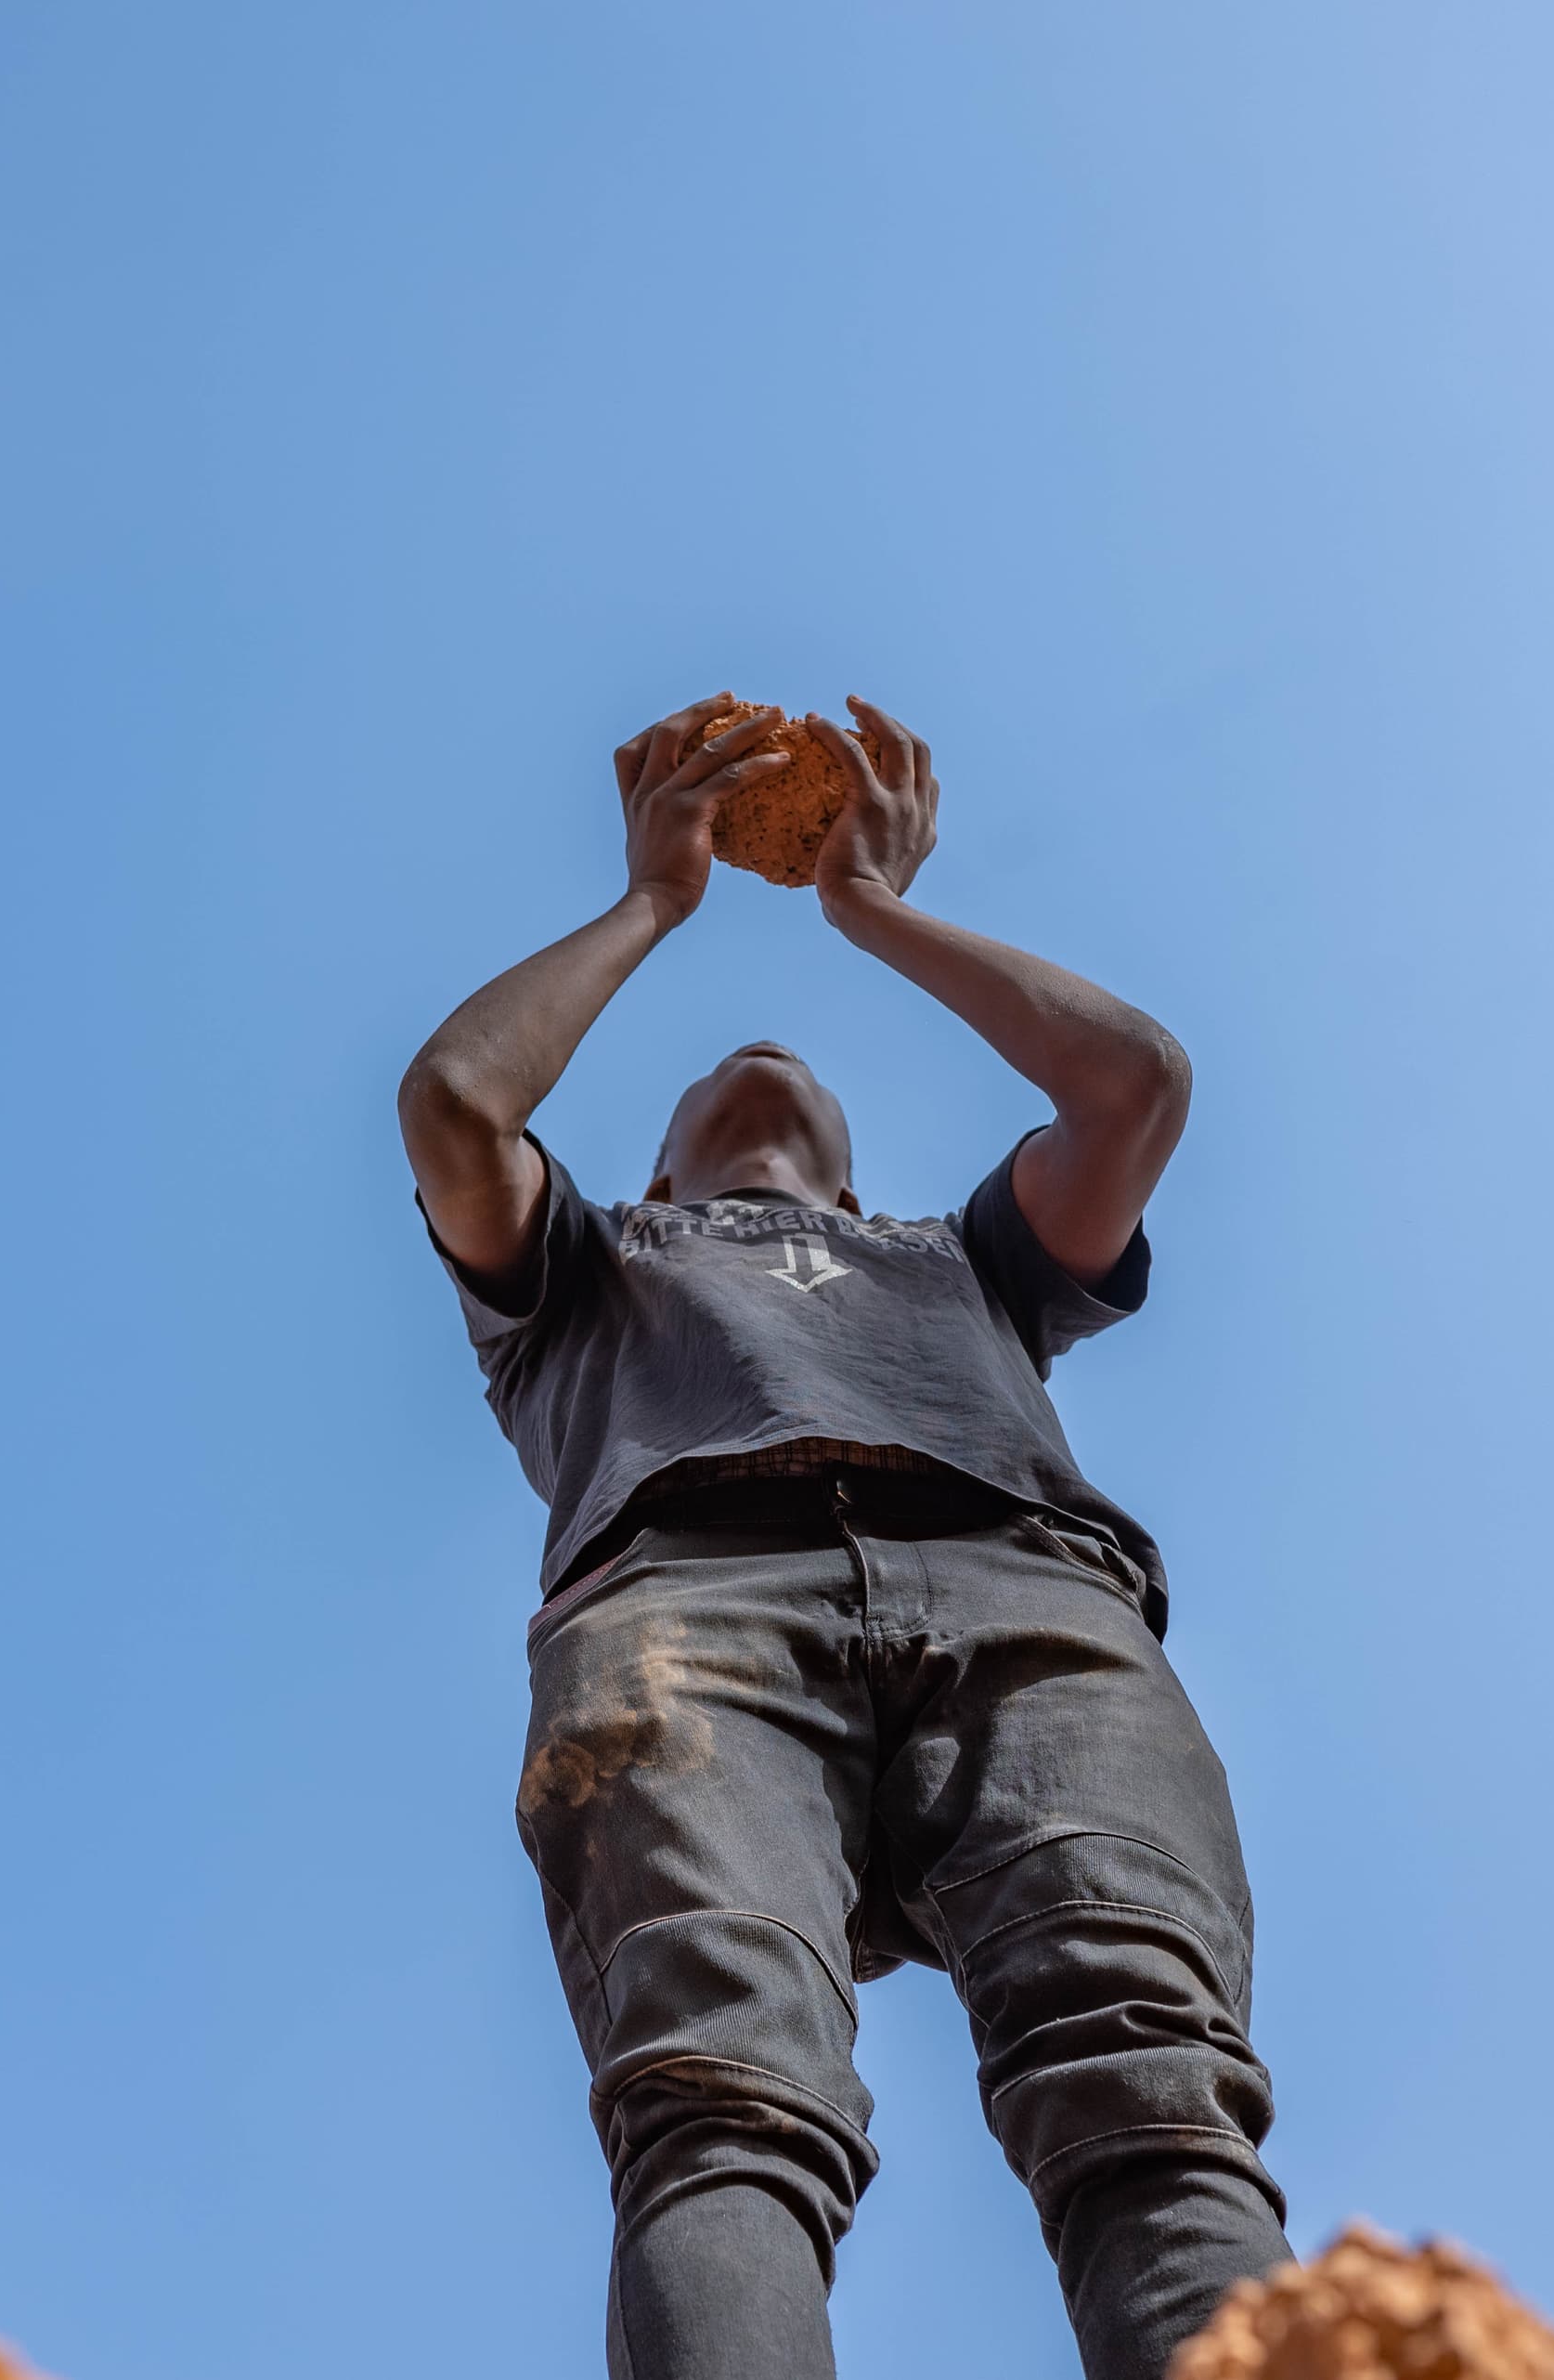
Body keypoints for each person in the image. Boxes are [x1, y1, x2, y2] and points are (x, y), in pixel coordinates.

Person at [396, 691, 1290, 2380]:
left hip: (1029, 1598)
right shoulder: (589, 1273)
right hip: (685, 1614)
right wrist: (651, 905)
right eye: (714, 1087)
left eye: (807, 1075)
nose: (769, 1062)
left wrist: (872, 912)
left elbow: (1132, 1084)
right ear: (654, 1171)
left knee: (1149, 2085)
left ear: (863, 1179)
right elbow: (455, 1104)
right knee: (718, 2103)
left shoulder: (965, 1263)